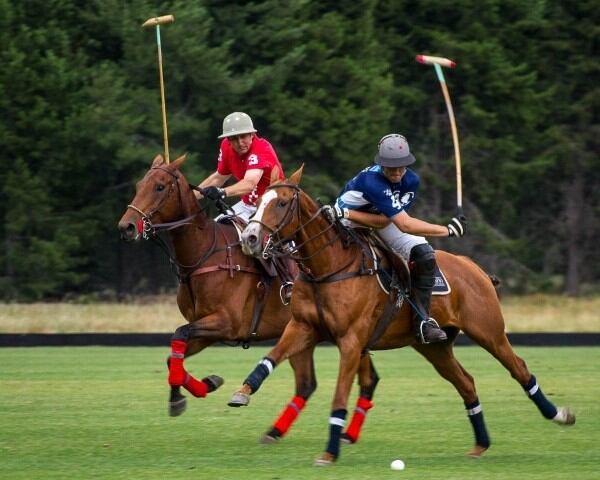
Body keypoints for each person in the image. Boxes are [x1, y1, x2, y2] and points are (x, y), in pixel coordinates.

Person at [323, 134, 467, 344]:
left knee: (424, 254)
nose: (397, 172)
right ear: (381, 165)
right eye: (391, 167)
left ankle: (423, 322)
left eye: (402, 166)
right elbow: (405, 224)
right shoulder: (371, 180)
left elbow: (384, 222)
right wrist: (447, 230)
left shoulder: (411, 181)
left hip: (378, 220)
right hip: (344, 221)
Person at [197, 112, 294, 302]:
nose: (240, 142)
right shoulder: (226, 147)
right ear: (228, 140)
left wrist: (222, 192)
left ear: (252, 134)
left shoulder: (261, 148)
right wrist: (192, 195)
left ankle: (288, 282)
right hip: (248, 203)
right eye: (234, 138)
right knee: (213, 235)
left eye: (244, 136)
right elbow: (219, 177)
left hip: (272, 206)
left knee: (263, 240)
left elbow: (250, 183)